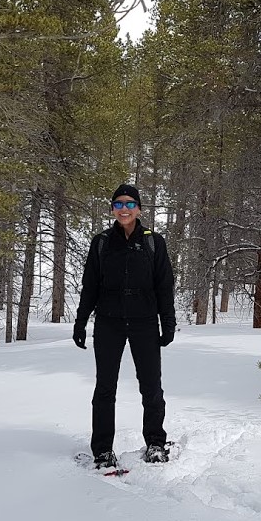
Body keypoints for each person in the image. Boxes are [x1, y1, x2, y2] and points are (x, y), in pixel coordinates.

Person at [72, 184, 176, 469]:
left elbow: (164, 286)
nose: (124, 209)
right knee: (105, 388)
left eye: (130, 204)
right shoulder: (102, 242)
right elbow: (90, 285)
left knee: (151, 386)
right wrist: (81, 322)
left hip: (144, 323)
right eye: (119, 204)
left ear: (139, 209)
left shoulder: (153, 242)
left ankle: (155, 443)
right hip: (109, 323)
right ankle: (103, 450)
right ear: (112, 209)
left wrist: (168, 323)